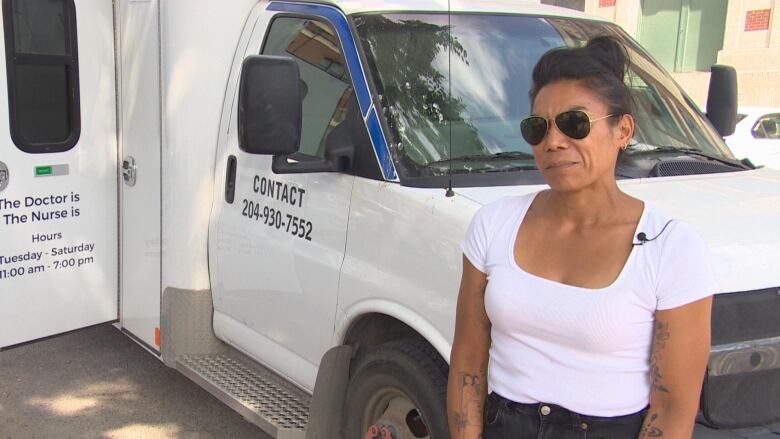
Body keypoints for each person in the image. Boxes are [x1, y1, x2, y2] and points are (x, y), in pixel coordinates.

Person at [447, 36, 719, 439]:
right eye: (537, 128)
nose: (553, 142)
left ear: (623, 129)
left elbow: (674, 407)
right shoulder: (494, 224)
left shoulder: (670, 247)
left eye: (574, 123)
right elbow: (468, 364)